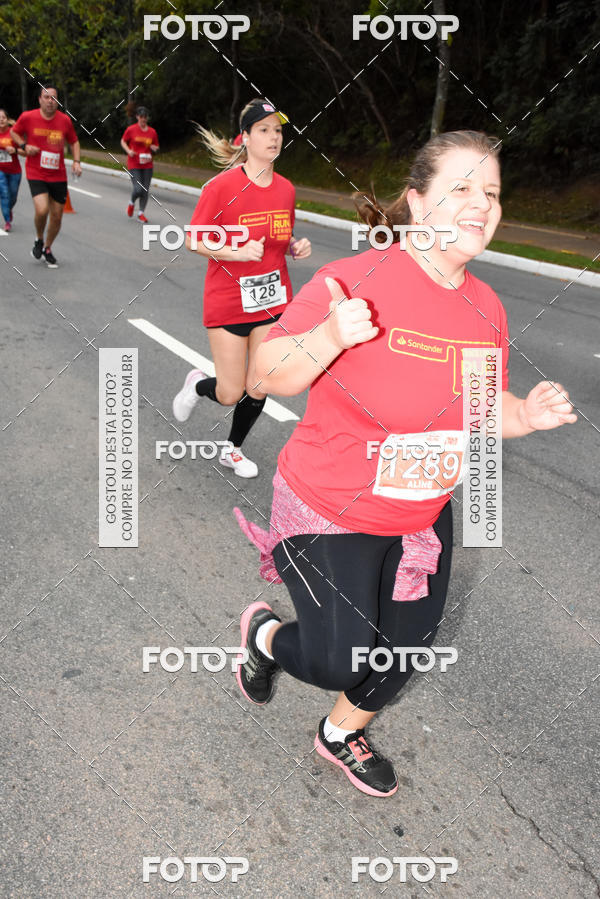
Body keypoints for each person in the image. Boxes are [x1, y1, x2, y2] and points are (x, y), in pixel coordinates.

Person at [234, 131, 577, 797]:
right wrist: (332, 335)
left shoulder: (488, 309)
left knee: (406, 648)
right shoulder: (354, 279)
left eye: (493, 192)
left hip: (418, 513)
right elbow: (264, 372)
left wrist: (525, 414)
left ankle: (340, 732)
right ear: (418, 205)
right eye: (462, 188)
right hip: (329, 508)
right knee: (340, 655)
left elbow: (483, 407)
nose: (482, 204)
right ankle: (266, 637)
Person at [172, 98, 312, 478]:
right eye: (264, 130)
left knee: (262, 381)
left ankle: (231, 449)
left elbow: (278, 232)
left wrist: (296, 244)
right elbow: (193, 239)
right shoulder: (221, 187)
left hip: (272, 299)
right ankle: (199, 384)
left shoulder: (286, 189)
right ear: (245, 138)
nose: (273, 137)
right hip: (229, 301)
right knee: (230, 391)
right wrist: (232, 251)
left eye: (278, 130)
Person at [11, 86, 81, 268]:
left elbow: (74, 141)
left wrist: (76, 161)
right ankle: (39, 238)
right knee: (42, 210)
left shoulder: (64, 121)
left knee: (57, 217)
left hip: (58, 175)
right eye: (47, 97)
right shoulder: (28, 117)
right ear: (40, 100)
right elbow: (14, 132)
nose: (51, 101)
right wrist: (25, 145)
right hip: (36, 172)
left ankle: (47, 248)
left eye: (54, 98)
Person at [120, 107, 159, 223]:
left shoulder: (152, 132)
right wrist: (128, 151)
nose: (143, 119)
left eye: (145, 117)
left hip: (147, 164)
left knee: (145, 190)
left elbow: (156, 146)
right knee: (138, 189)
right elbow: (123, 141)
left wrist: (154, 148)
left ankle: (141, 213)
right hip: (134, 163)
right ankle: (131, 203)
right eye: (141, 116)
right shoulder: (131, 129)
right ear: (137, 117)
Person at [0, 109, 23, 233]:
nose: (1, 120)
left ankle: (8, 210)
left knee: (12, 197)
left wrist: (15, 150)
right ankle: (7, 221)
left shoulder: (13, 134)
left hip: (15, 171)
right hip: (0, 171)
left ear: (7, 119)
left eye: (3, 117)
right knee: (4, 194)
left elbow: (25, 152)